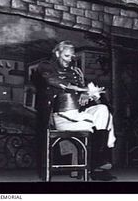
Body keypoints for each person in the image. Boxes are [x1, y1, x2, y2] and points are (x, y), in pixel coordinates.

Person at [37, 40, 116, 181]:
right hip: (61, 114)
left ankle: (97, 161)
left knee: (103, 111)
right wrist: (80, 90)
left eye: (72, 57)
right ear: (57, 53)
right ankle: (95, 165)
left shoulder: (76, 71)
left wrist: (88, 93)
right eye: (66, 56)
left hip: (79, 113)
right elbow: (52, 80)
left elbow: (88, 89)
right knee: (93, 124)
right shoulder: (46, 66)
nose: (70, 60)